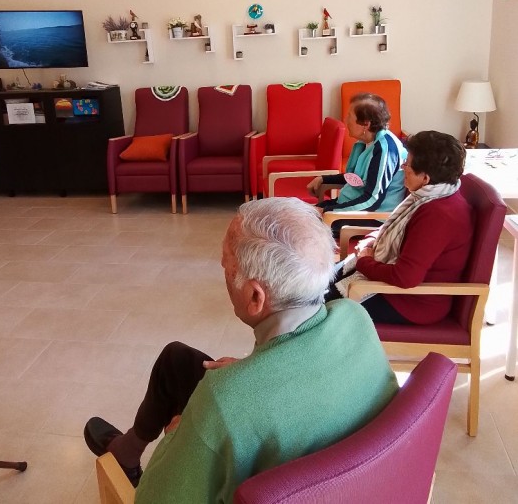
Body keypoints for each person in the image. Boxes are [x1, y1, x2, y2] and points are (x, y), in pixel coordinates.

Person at [84, 198, 398, 503]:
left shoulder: (224, 403)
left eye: (225, 265)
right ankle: (127, 450)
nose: (223, 272)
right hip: (351, 479)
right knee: (177, 360)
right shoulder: (354, 317)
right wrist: (251, 371)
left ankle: (124, 460)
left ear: (255, 297)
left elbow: (153, 499)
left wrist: (178, 437)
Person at [326, 131, 474, 325]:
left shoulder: (438, 215)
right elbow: (396, 229)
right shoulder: (431, 195)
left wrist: (364, 261)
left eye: (407, 165)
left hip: (410, 302)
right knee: (316, 282)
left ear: (425, 178)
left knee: (318, 307)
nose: (403, 167)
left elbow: (405, 277)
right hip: (395, 287)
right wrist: (372, 240)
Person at [308, 93, 406, 236]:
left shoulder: (385, 150)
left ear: (366, 124)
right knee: (300, 214)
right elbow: (356, 178)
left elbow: (372, 200)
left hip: (374, 217)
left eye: (349, 116)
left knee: (305, 229)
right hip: (353, 206)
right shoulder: (366, 142)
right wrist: (323, 179)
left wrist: (329, 211)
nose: (345, 120)